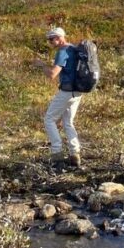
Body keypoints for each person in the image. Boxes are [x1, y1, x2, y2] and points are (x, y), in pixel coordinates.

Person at [41, 27, 83, 168]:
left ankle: (57, 154)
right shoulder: (74, 48)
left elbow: (52, 74)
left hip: (66, 91)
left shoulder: (63, 51)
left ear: (59, 37)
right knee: (68, 122)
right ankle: (75, 154)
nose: (50, 42)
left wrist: (41, 65)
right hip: (78, 92)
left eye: (52, 39)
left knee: (49, 119)